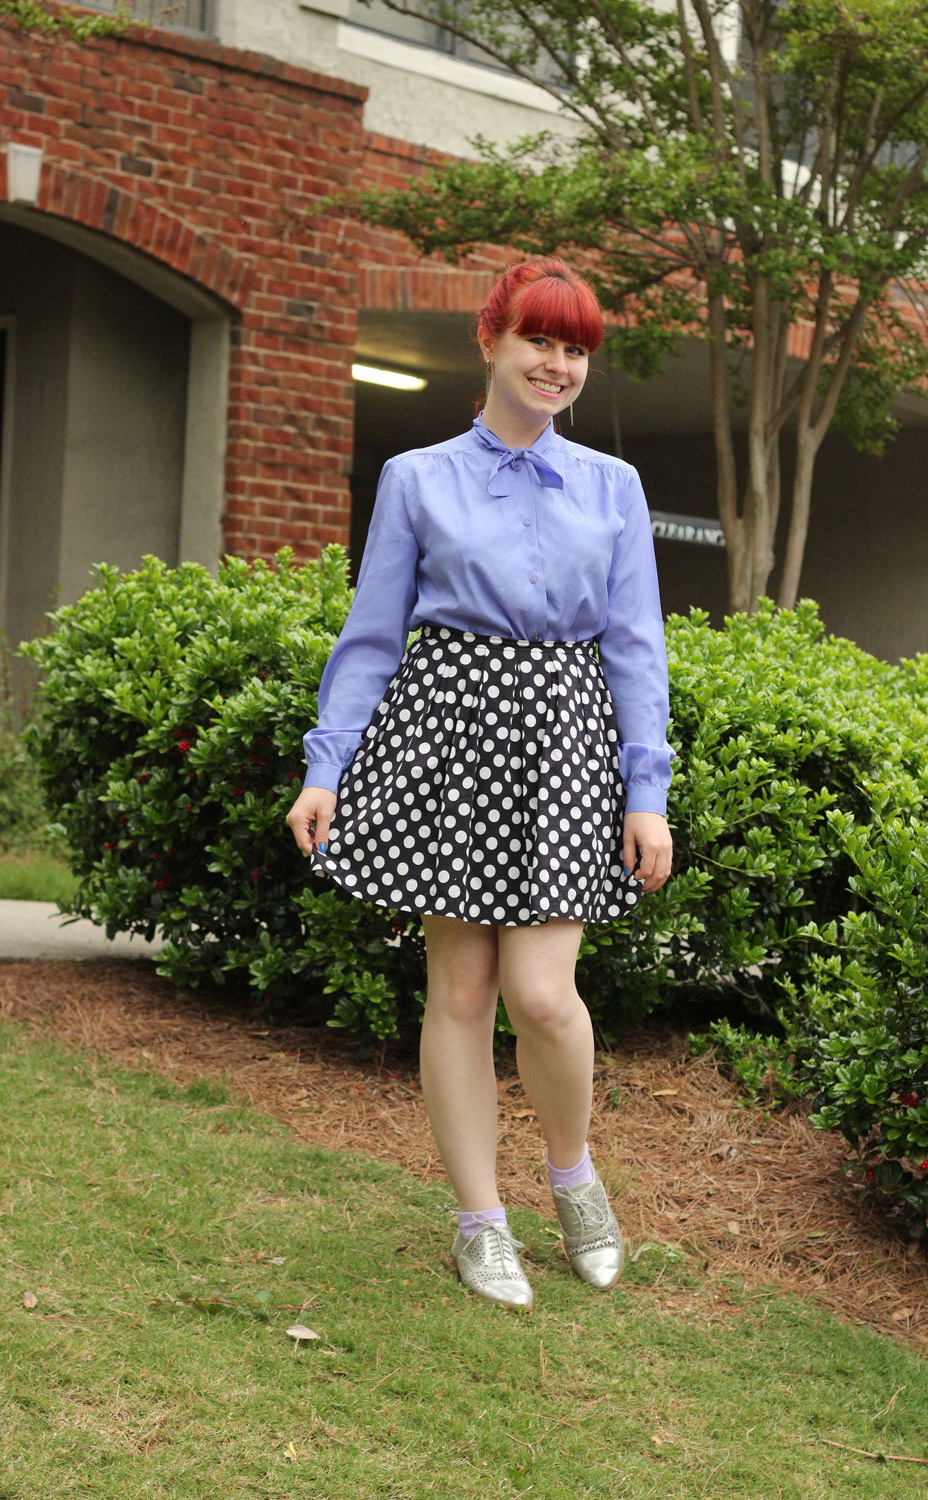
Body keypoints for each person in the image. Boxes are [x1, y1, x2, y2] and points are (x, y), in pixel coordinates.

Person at [286, 257, 674, 1311]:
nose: (556, 364)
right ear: (491, 341)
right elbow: (370, 638)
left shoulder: (614, 488)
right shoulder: (417, 477)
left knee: (543, 996)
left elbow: (636, 647)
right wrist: (329, 765)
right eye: (538, 341)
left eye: (575, 348)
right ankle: (479, 1221)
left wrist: (648, 792)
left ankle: (573, 1177)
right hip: (447, 738)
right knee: (457, 990)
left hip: (562, 743)